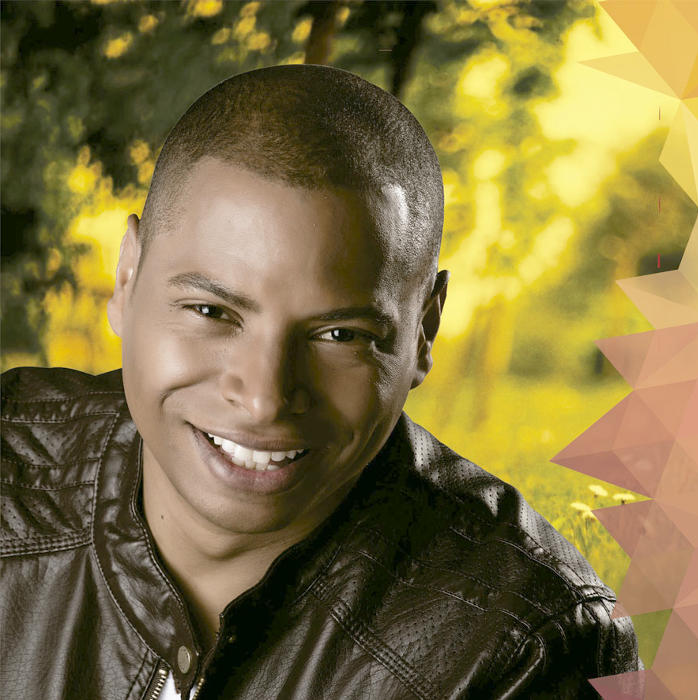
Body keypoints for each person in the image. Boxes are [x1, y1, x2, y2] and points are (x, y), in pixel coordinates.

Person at [1, 64, 640, 700]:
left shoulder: (523, 650)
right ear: (127, 279)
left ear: (423, 330)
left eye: (340, 334)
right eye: (211, 312)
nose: (263, 398)